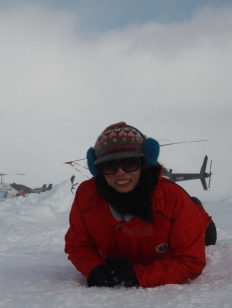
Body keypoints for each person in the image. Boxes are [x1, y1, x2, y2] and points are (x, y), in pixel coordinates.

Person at [64, 122, 213, 288]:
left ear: (144, 163)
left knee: (201, 226)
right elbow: (77, 245)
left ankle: (198, 208)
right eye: (109, 165)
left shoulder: (172, 197)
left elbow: (190, 262)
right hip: (121, 252)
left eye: (130, 162)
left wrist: (138, 275)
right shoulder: (87, 195)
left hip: (189, 220)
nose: (120, 172)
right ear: (98, 169)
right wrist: (93, 268)